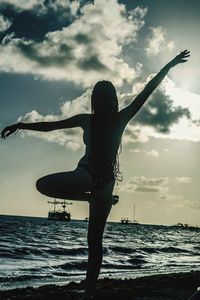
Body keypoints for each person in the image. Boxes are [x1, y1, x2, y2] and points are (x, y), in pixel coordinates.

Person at [1, 50, 190, 299]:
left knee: (44, 186)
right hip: (104, 186)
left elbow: (147, 91)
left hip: (89, 177)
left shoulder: (104, 119)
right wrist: (170, 65)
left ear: (100, 100)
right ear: (108, 100)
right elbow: (52, 125)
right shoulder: (110, 118)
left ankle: (89, 290)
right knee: (94, 242)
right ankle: (88, 293)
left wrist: (22, 125)